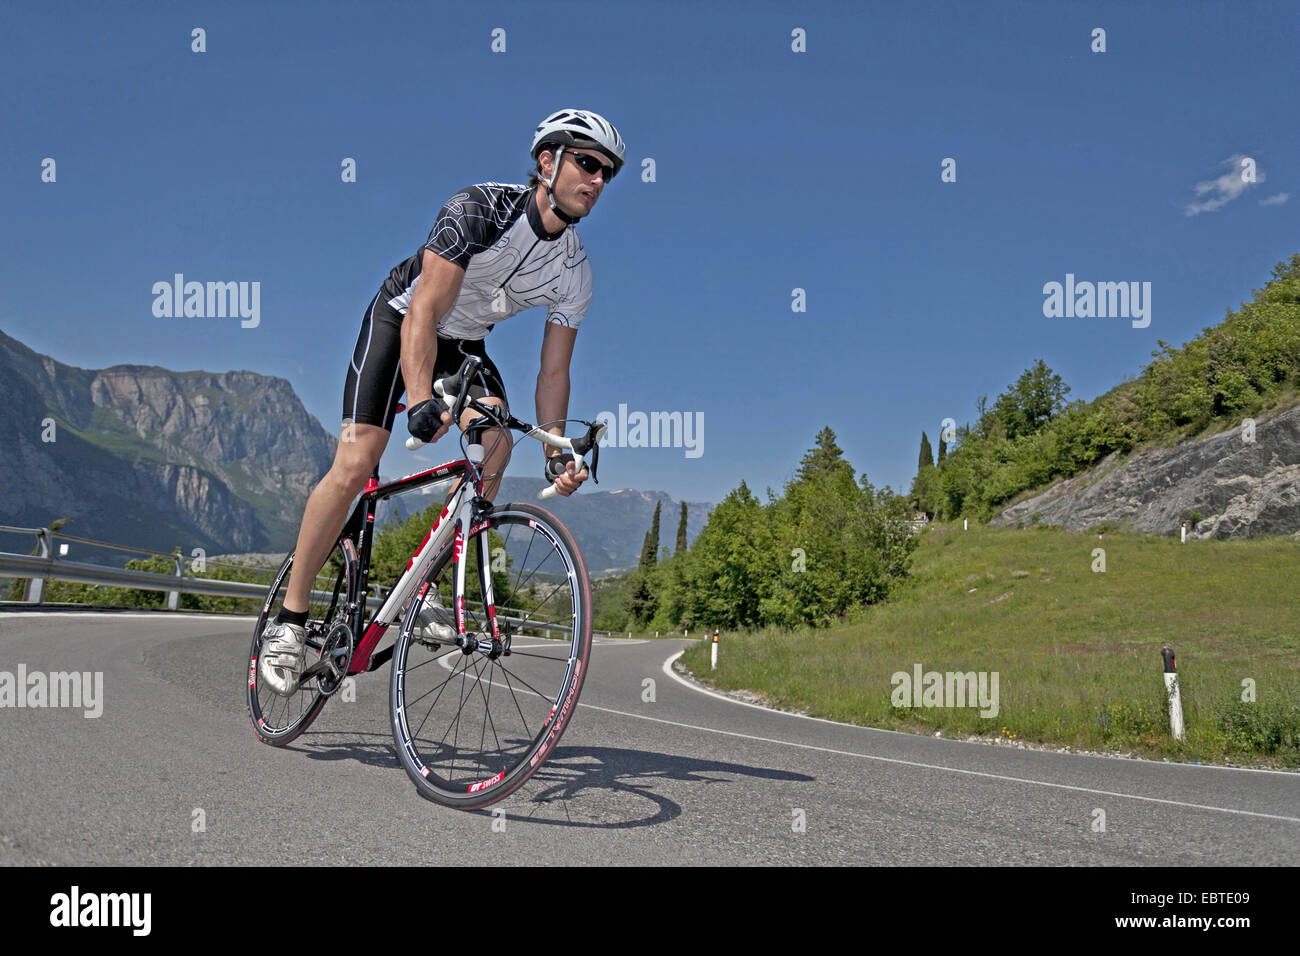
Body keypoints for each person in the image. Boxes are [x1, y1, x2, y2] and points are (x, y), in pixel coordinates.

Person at [259, 108, 625, 695]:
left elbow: (553, 369)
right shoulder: (478, 209)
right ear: (546, 161)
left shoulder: (575, 270)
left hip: (465, 344)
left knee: (498, 442)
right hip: (401, 318)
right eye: (587, 163)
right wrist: (422, 397)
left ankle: (423, 587)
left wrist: (557, 449)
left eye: (607, 172)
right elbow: (425, 311)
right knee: (356, 463)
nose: (597, 180)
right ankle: (290, 622)